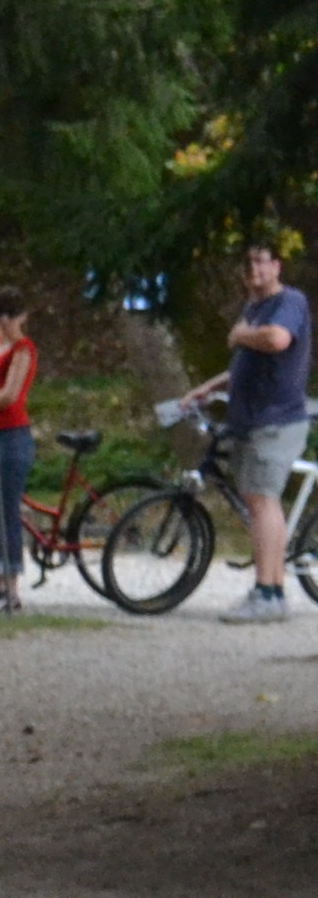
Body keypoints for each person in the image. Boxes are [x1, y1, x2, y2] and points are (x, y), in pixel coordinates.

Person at [193, 245, 309, 621]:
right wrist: (209, 387)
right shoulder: (254, 308)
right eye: (248, 264)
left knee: (263, 501)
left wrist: (242, 334)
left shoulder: (289, 301)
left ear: (277, 266)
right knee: (257, 502)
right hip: (250, 420)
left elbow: (277, 340)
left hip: (275, 421)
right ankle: (269, 591)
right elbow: (245, 363)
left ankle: (269, 594)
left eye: (261, 261)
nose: (253, 269)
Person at [0, 287, 42, 612]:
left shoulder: (22, 350)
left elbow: (10, 394)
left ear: (23, 317)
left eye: (11, 314)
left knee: (5, 511)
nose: (3, 321)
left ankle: (12, 589)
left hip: (11, 435)